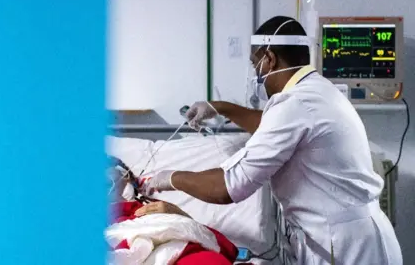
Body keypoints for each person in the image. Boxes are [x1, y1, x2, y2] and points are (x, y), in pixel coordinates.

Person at [138, 16, 403, 264]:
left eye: (256, 65)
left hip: (348, 246)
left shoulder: (295, 103)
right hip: (349, 237)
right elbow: (269, 125)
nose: (257, 74)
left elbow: (230, 186)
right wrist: (219, 107)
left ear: (270, 59)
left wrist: (170, 178)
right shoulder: (315, 91)